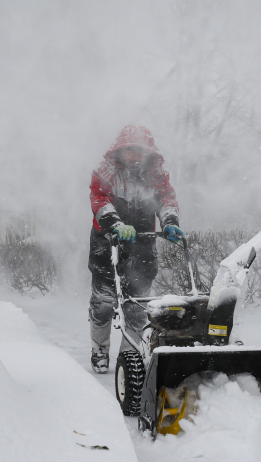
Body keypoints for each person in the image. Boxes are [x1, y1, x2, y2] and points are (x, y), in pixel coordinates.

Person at [88, 125, 185, 373]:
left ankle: (128, 356)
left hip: (142, 244)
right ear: (119, 151)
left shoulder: (156, 175)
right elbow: (99, 199)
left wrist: (170, 221)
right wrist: (116, 224)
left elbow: (167, 199)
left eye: (139, 150)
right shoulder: (105, 172)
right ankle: (99, 348)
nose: (134, 155)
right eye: (129, 150)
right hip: (107, 243)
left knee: (137, 304)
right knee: (104, 301)